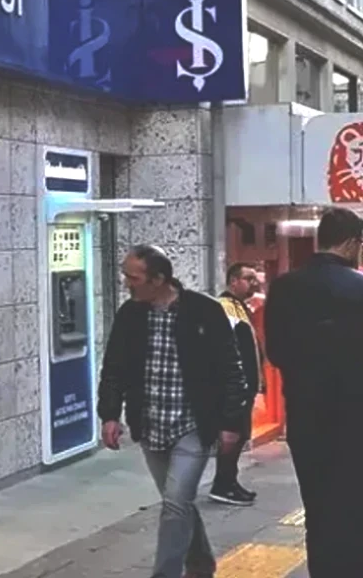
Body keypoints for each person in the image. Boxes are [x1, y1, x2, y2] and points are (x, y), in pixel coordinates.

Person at [97, 245, 247, 578]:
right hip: (151, 425)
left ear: (158, 279)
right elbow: (114, 368)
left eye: (133, 277)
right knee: (178, 502)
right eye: (125, 276)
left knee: (175, 502)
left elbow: (230, 369)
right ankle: (201, 563)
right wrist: (109, 414)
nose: (126, 283)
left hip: (192, 425)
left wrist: (231, 422)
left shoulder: (204, 311)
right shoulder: (131, 315)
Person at [264, 207, 363, 577]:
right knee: (352, 505)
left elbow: (275, 352)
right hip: (354, 417)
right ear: (352, 243)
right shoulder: (359, 289)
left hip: (305, 416)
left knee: (317, 506)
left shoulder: (283, 287)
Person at [209, 262, 264, 506]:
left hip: (244, 385)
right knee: (231, 435)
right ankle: (223, 484)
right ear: (233, 281)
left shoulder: (241, 307)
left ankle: (229, 481)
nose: (255, 283)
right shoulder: (224, 307)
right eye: (248, 278)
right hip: (233, 387)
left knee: (239, 435)